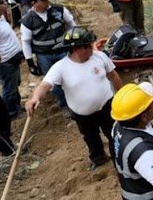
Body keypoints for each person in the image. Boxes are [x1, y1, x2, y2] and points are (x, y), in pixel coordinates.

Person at [26, 27, 122, 170]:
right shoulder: (61, 67)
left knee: (114, 134)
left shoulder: (100, 57)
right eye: (88, 46)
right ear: (76, 49)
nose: (92, 48)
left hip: (107, 107)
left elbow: (113, 75)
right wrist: (34, 98)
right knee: (91, 138)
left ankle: (119, 159)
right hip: (82, 114)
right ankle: (98, 158)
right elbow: (45, 85)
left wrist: (122, 94)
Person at [20, 0, 76, 111]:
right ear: (33, 3)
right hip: (44, 56)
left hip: (63, 51)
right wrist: (30, 62)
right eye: (43, 0)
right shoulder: (27, 20)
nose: (47, 2)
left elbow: (72, 25)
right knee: (53, 82)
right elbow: (26, 42)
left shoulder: (59, 10)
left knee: (71, 76)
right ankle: (65, 105)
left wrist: (76, 43)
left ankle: (77, 100)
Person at [0, 4, 23, 118]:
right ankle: (10, 112)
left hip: (12, 57)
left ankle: (16, 106)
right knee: (9, 88)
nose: (4, 4)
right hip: (5, 61)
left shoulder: (1, 18)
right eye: (1, 3)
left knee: (14, 84)